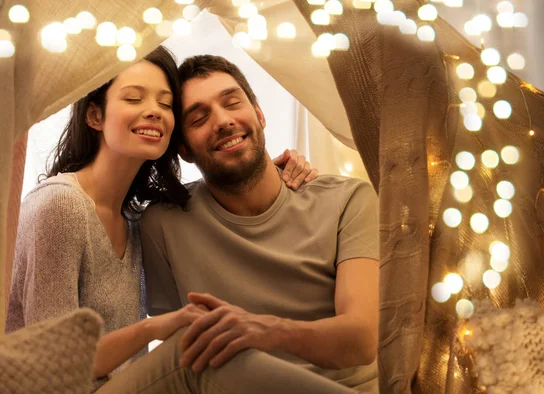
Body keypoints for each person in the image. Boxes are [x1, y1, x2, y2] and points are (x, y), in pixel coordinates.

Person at [5, 45, 329, 393]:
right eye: (133, 99)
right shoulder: (61, 206)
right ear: (95, 116)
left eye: (164, 104)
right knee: (192, 352)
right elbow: (54, 364)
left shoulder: (136, 220)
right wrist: (156, 328)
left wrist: (276, 172)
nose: (154, 112)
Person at [137, 55, 380, 392]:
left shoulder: (347, 200)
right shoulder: (162, 223)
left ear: (259, 114)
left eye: (232, 102)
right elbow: (179, 347)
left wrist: (264, 330)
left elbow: (362, 340)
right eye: (199, 118)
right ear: (184, 149)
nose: (222, 121)